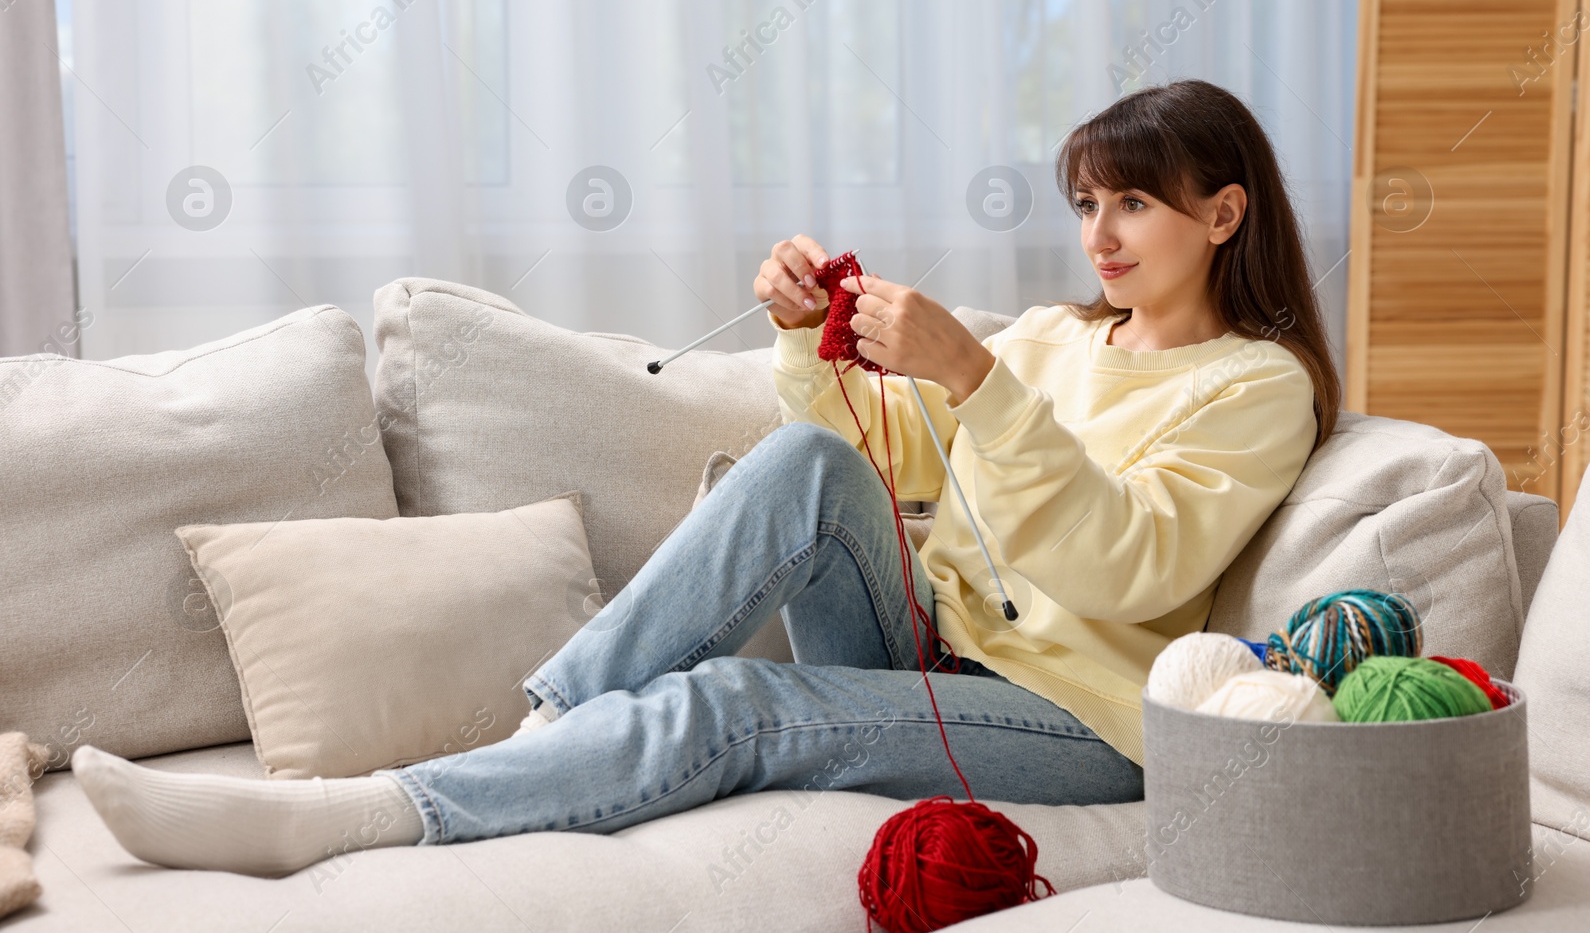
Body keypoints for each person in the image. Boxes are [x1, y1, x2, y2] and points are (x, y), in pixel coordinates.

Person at [72, 79, 1338, 878]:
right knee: (803, 458)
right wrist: (808, 332)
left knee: (736, 705)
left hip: (1082, 718)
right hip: (932, 644)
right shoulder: (1059, 337)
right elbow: (874, 448)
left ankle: (366, 815)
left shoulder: (1256, 385)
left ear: (1222, 215)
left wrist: (975, 377)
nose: (1098, 235)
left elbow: (1135, 565)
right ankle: (552, 722)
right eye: (1084, 203)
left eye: (1131, 204)